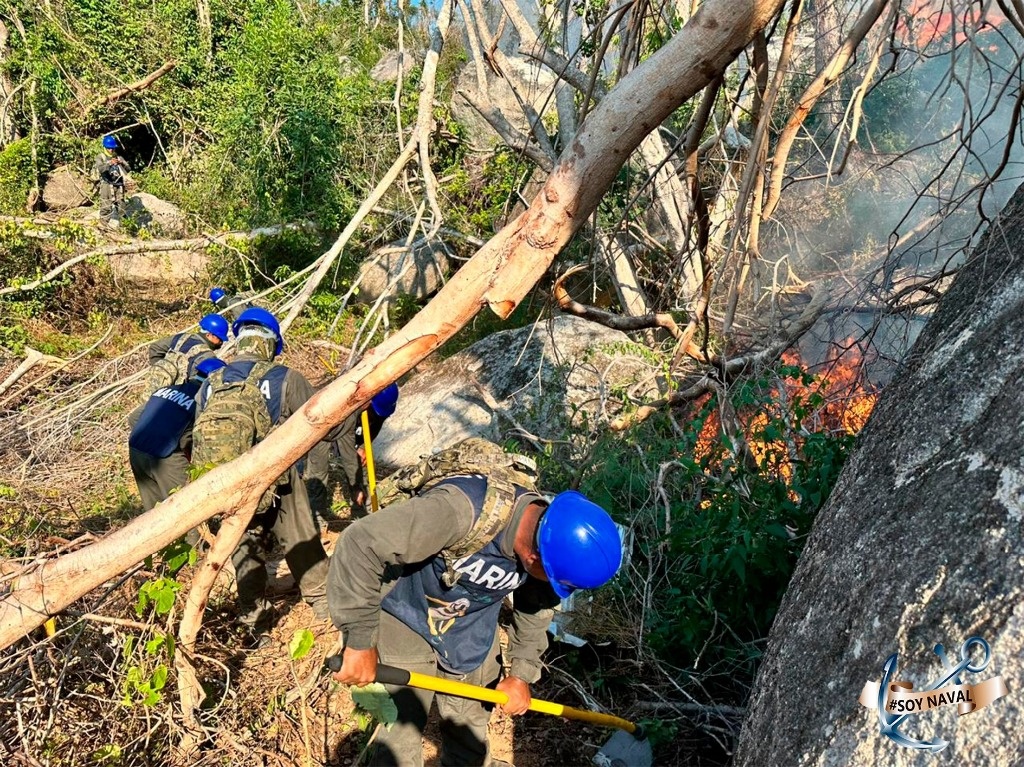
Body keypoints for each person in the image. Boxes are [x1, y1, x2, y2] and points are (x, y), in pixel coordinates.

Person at [327, 477, 623, 767]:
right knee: (399, 736)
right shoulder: (458, 510)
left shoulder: (548, 543)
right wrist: (359, 641)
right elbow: (361, 542)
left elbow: (537, 608)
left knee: (468, 731)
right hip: (408, 612)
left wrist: (520, 674)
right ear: (535, 558)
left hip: (471, 632)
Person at [194, 307, 342, 636]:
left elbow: (196, 437)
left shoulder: (210, 383)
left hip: (227, 480)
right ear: (272, 345)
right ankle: (323, 602)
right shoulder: (285, 378)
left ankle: (252, 619)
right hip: (277, 477)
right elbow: (324, 428)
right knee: (299, 532)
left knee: (244, 545)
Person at [128, 357, 227, 511]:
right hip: (166, 457)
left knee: (154, 513)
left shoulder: (165, 390)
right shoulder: (201, 402)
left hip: (136, 450)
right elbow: (195, 440)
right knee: (187, 509)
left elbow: (134, 417)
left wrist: (152, 434)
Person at [304, 382, 399, 519]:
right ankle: (317, 518)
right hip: (326, 428)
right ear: (367, 401)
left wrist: (362, 448)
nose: (377, 417)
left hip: (353, 430)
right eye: (374, 412)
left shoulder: (380, 409)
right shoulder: (347, 401)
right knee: (318, 471)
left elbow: (374, 428)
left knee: (361, 465)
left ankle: (362, 513)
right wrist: (354, 449)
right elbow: (344, 446)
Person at [144, 314, 229, 397]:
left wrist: (159, 369)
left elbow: (155, 348)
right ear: (209, 335)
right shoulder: (207, 356)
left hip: (152, 389)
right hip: (176, 398)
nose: (221, 342)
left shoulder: (181, 337)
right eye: (220, 338)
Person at [91, 135, 129, 222]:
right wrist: (109, 163)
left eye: (112, 148)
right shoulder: (100, 157)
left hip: (119, 185)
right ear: (104, 147)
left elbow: (128, 169)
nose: (111, 150)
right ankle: (103, 227)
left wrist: (121, 163)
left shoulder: (118, 157)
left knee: (122, 207)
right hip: (107, 184)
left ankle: (125, 227)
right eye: (109, 148)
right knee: (106, 207)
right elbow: (100, 168)